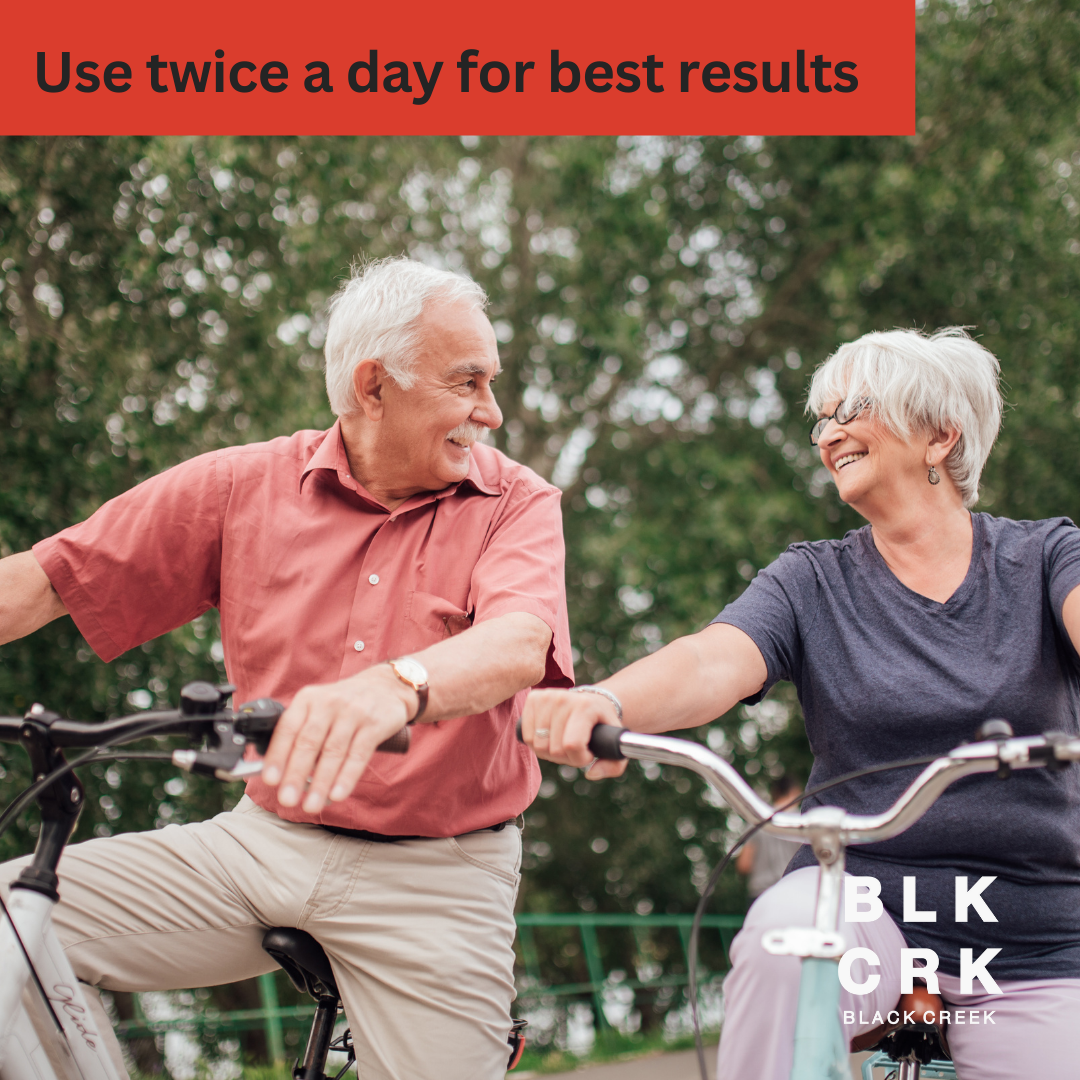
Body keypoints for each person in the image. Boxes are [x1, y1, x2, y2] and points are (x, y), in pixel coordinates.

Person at [0, 257, 573, 1080]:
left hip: (438, 874)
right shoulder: (243, 485)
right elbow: (42, 582)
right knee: (14, 924)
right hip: (260, 844)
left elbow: (519, 642)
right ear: (373, 387)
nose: (492, 410)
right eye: (468, 382)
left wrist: (396, 686)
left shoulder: (515, 502)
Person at [522, 327, 1080, 1080]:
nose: (829, 432)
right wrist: (606, 698)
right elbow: (710, 658)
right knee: (787, 939)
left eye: (852, 407)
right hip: (861, 913)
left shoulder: (1044, 557)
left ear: (939, 436)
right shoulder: (812, 582)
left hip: (1030, 945)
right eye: (821, 417)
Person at [734, 773, 802, 900]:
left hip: (760, 896)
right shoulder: (803, 822)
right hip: (791, 893)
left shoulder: (757, 820)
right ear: (795, 791)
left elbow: (744, 865)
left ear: (775, 793)